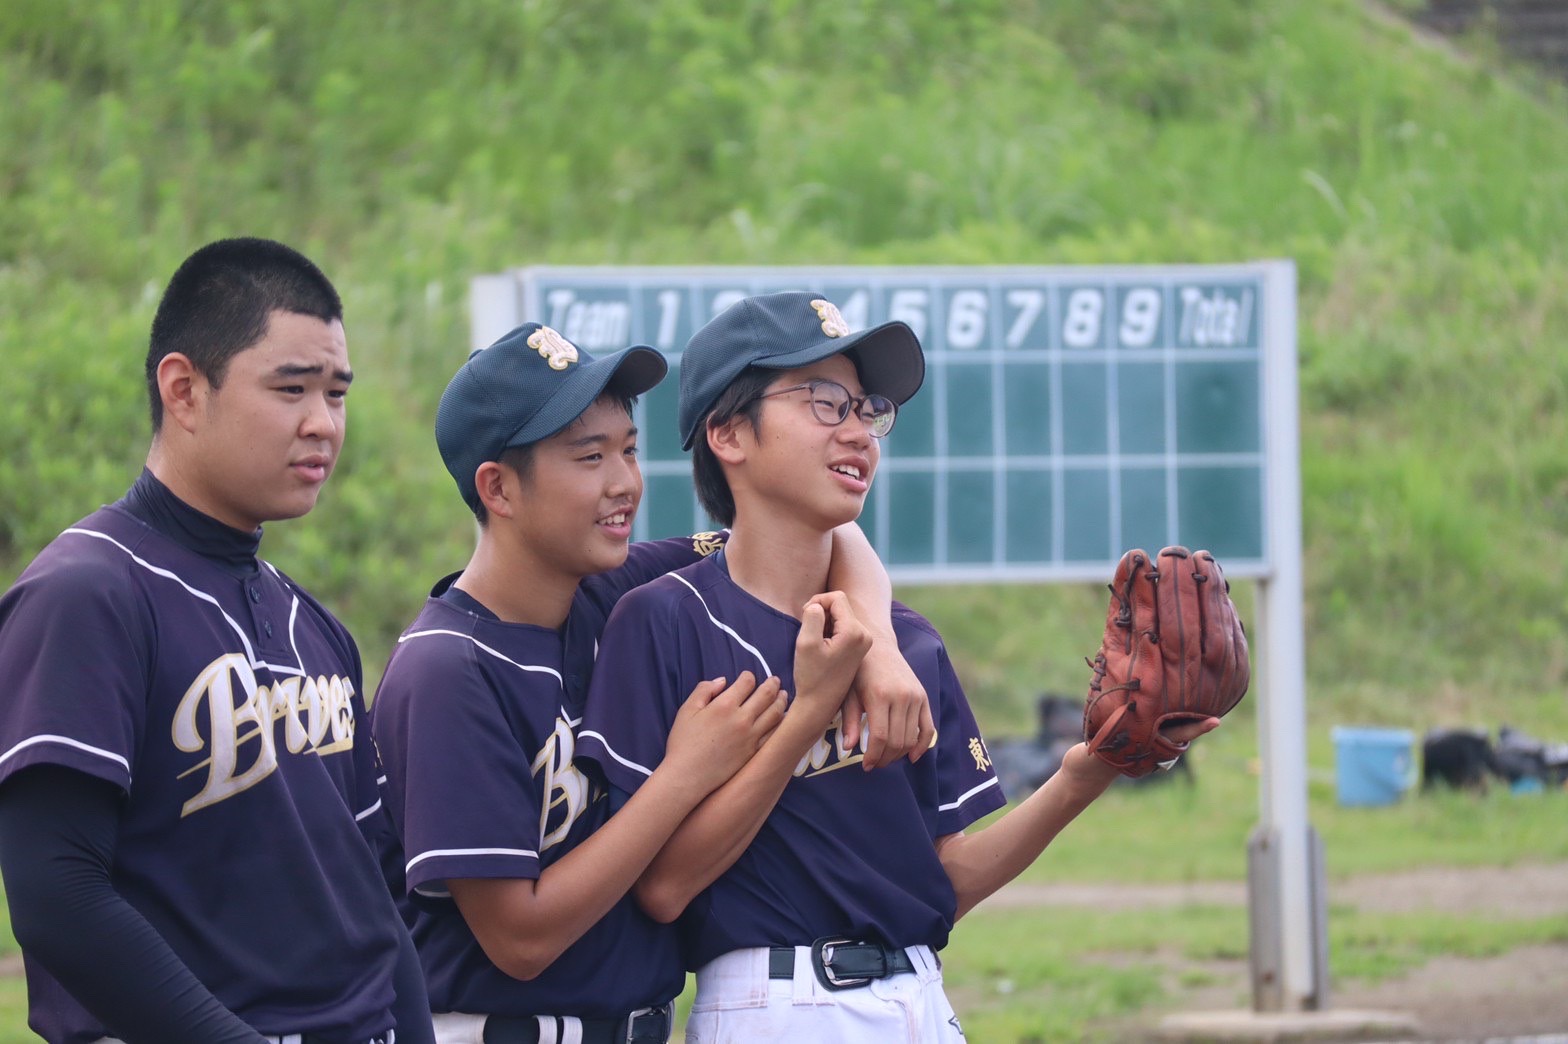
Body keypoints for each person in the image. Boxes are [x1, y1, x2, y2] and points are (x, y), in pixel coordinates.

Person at [578, 291, 1222, 1041]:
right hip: (773, 1002)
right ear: (727, 433)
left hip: (920, 1001)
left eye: (867, 408)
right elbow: (662, 889)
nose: (858, 432)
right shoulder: (665, 619)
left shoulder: (906, 645)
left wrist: (1087, 774)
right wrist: (806, 712)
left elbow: (941, 886)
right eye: (823, 402)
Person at [370, 321, 929, 1044]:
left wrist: (878, 644)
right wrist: (683, 777)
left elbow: (825, 532)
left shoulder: (607, 589)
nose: (623, 483)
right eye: (590, 457)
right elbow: (522, 940)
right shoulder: (446, 669)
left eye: (629, 450)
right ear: (499, 488)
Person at [0, 238, 434, 1044]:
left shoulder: (318, 630)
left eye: (337, 393)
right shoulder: (88, 592)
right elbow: (55, 890)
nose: (323, 423)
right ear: (184, 389)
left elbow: (375, 898)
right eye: (291, 388)